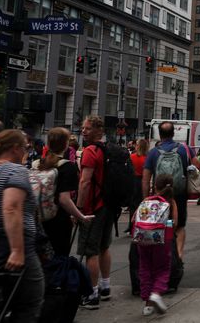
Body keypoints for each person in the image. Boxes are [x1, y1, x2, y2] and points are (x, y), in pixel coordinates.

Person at [0, 129, 45, 322]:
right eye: (25, 148)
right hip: (11, 240)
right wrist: (17, 249)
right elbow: (11, 207)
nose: (26, 152)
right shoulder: (14, 170)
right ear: (16, 148)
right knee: (31, 298)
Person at [142, 121, 200, 260]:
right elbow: (198, 165)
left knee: (160, 225)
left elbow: (145, 179)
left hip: (159, 197)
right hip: (179, 194)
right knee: (179, 226)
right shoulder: (184, 149)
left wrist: (145, 198)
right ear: (173, 133)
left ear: (159, 134)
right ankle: (179, 255)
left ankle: (161, 255)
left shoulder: (153, 153)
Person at [76, 116, 115, 309]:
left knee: (90, 251)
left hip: (93, 207)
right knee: (104, 247)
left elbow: (85, 181)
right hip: (108, 206)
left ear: (98, 130)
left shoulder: (90, 151)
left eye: (88, 128)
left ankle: (92, 293)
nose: (84, 131)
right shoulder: (109, 149)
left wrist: (79, 208)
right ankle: (105, 286)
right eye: (83, 128)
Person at [35, 127, 92, 255]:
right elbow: (64, 199)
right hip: (58, 219)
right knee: (59, 258)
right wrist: (80, 216)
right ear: (66, 144)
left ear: (48, 143)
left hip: (37, 217)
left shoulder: (36, 164)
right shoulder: (67, 167)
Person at [135, 174, 177, 317]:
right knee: (162, 269)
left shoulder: (147, 201)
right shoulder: (170, 202)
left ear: (155, 186)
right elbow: (175, 223)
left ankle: (147, 303)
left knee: (145, 268)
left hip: (143, 240)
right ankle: (156, 293)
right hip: (162, 241)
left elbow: (136, 217)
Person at [128, 139, 150, 233]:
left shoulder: (132, 157)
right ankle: (143, 224)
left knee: (133, 205)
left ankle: (131, 226)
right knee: (143, 204)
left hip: (133, 181)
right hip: (144, 181)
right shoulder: (147, 158)